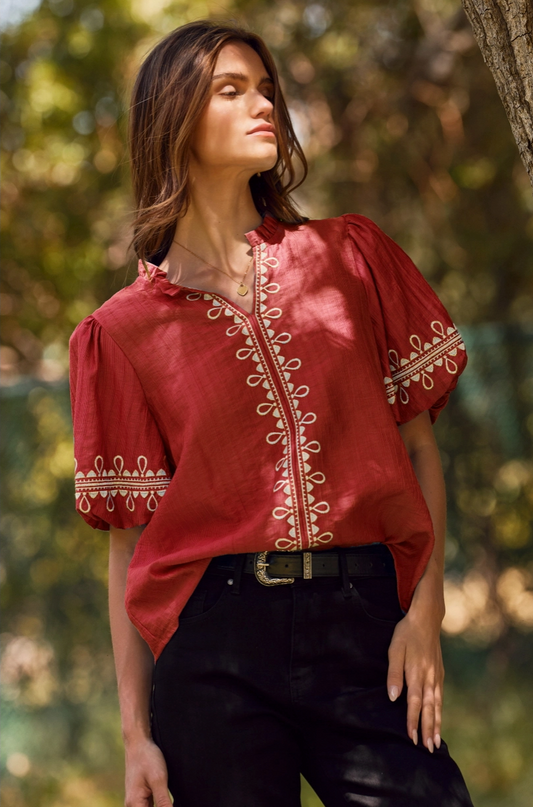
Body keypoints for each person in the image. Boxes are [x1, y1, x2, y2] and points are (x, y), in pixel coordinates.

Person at [69, 19, 474, 807]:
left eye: (265, 88)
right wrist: (135, 737)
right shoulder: (121, 331)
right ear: (176, 117)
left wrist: (425, 614)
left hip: (363, 624)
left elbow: (417, 448)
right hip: (212, 649)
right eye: (232, 90)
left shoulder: (348, 258)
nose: (263, 104)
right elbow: (131, 543)